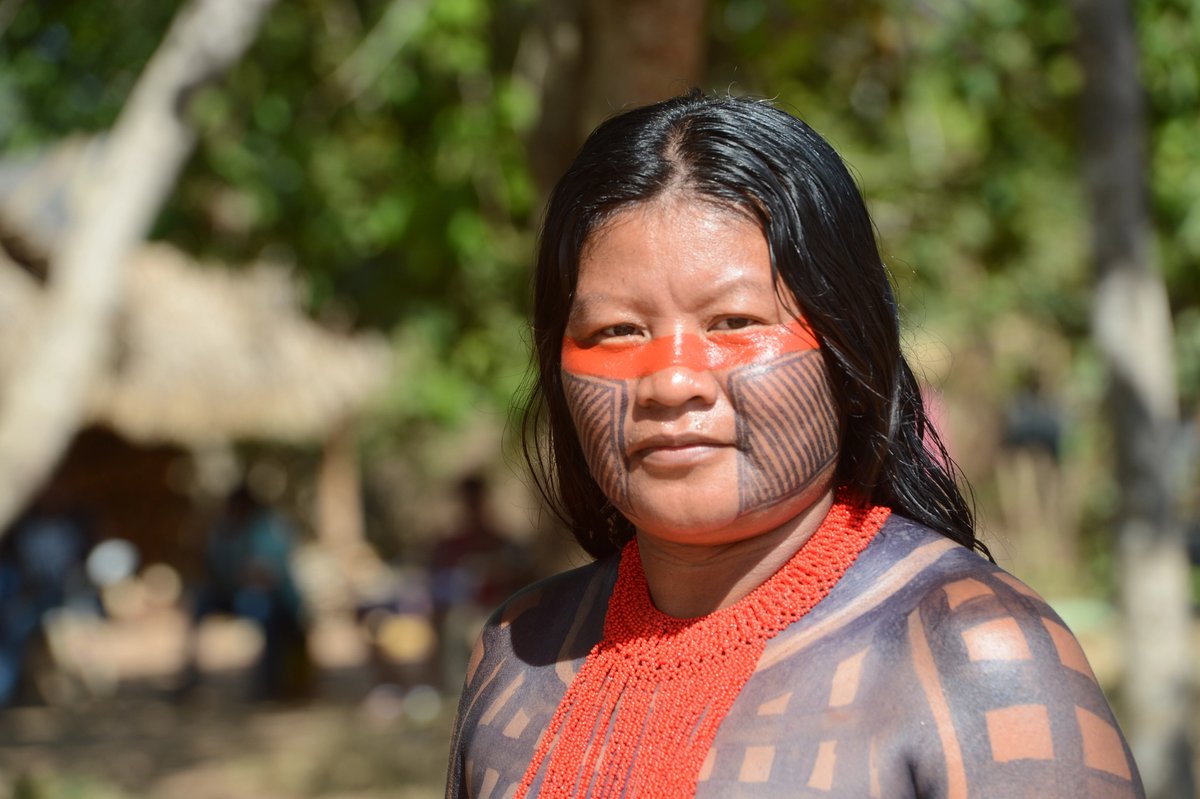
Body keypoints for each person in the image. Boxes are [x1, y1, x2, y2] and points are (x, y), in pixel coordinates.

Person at [445, 93, 1143, 797]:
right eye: (618, 331)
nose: (672, 380)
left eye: (733, 321)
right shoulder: (519, 652)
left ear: (846, 346)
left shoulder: (977, 656)